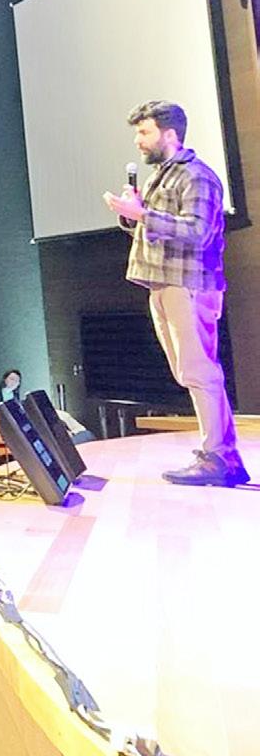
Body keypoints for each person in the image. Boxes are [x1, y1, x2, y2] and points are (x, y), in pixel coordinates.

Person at [103, 100, 245, 485]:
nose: (138, 140)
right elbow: (154, 229)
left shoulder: (196, 176)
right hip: (163, 281)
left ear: (169, 134)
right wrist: (132, 214)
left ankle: (217, 457)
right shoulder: (161, 176)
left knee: (199, 371)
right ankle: (224, 457)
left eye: (144, 132)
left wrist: (143, 214)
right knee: (190, 372)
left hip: (190, 284)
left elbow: (199, 232)